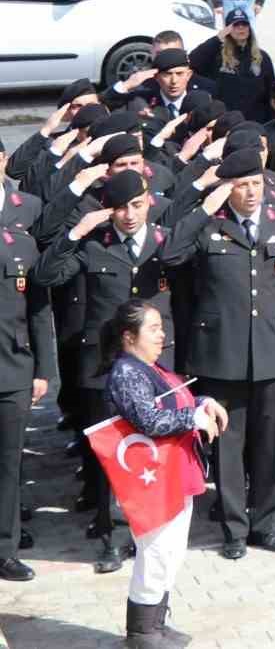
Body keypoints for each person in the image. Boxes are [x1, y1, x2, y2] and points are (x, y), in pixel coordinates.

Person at [159, 149, 275, 559]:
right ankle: (234, 529)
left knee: (269, 443)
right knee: (227, 445)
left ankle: (268, 524)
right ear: (227, 188)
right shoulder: (210, 226)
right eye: (241, 185)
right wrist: (204, 208)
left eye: (256, 184)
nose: (251, 192)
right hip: (220, 353)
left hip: (273, 351)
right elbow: (170, 253)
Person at [33, 170, 175, 574]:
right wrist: (76, 232)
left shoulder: (165, 242)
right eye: (119, 208)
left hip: (156, 365)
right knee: (113, 456)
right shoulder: (95, 245)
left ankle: (154, 532)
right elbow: (45, 275)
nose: (128, 215)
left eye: (135, 205)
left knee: (156, 450)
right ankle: (113, 535)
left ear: (148, 201)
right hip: (105, 368)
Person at [99, 302, 227, 646]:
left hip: (175, 473)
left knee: (171, 552)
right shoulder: (127, 372)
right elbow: (148, 420)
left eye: (160, 327)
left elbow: (172, 401)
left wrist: (202, 402)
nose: (162, 335)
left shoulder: (149, 367)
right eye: (153, 328)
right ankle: (141, 631)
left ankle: (157, 622)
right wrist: (194, 419)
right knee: (155, 554)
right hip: (150, 481)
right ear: (129, 336)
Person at [0, 188, 50, 585]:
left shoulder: (22, 242)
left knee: (8, 464)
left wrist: (44, 370)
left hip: (13, 368)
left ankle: (5, 549)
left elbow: (38, 310)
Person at [189, 9, 275, 123]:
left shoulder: (262, 57)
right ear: (227, 29)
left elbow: (272, 92)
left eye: (244, 24)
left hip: (255, 122)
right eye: (236, 25)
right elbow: (193, 61)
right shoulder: (217, 56)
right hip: (224, 121)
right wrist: (218, 38)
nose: (241, 28)